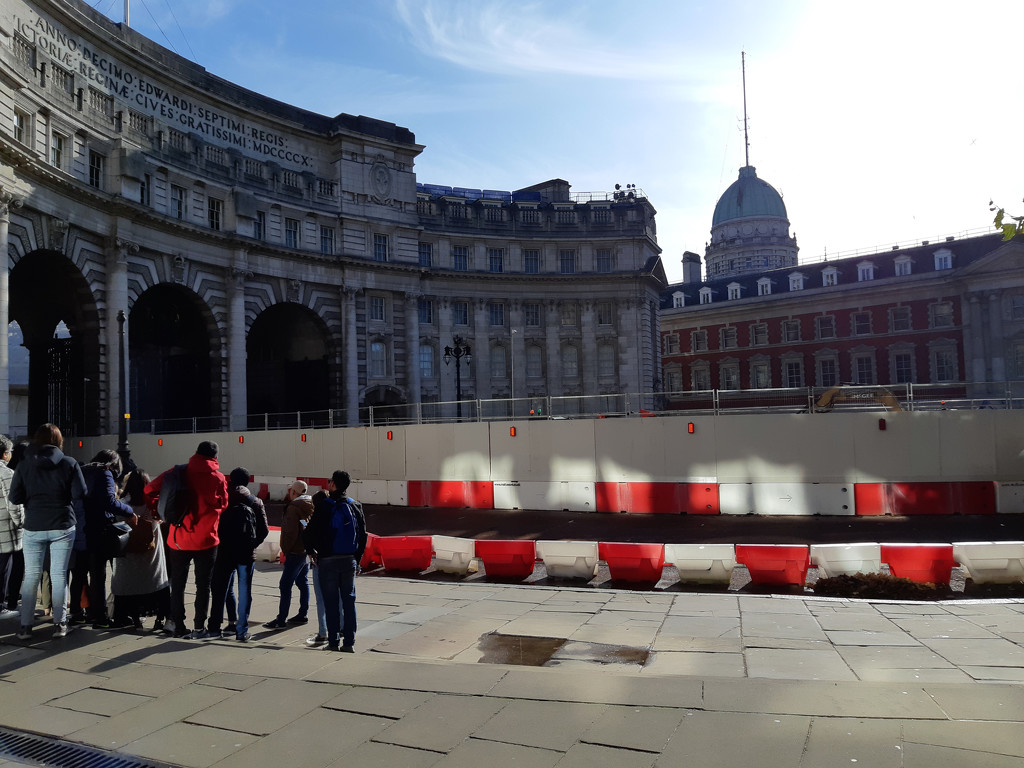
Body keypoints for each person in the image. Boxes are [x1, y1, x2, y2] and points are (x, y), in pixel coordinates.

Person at [144, 440, 228, 639]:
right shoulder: (218, 478)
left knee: (178, 584)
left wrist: (160, 509)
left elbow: (149, 490)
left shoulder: (178, 472)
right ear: (215, 457)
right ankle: (199, 628)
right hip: (207, 540)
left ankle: (178, 626)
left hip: (178, 538)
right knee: (203, 586)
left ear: (196, 452)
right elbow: (223, 504)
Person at [11, 424, 87, 640]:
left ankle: (25, 627)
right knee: (58, 574)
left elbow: (15, 498)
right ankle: (60, 624)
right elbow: (79, 493)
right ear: (58, 441)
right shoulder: (69, 463)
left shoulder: (25, 465)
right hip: (62, 525)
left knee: (32, 576)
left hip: (34, 526)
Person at [303, 471, 366, 652]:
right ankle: (349, 643)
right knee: (349, 600)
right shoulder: (355, 506)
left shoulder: (324, 505)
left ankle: (333, 641)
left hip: (327, 560)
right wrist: (357, 559)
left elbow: (309, 533)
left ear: (333, 485)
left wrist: (311, 551)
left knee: (330, 602)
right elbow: (363, 536)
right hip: (349, 560)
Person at [209, 467, 268, 641]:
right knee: (244, 591)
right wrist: (251, 545)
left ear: (230, 480)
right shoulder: (255, 501)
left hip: (223, 552)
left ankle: (214, 627)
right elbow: (263, 531)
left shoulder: (222, 500)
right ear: (247, 482)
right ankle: (241, 630)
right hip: (245, 554)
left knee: (219, 590)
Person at [79, 450, 136, 627]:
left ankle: (88, 612)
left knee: (86, 574)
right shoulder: (104, 474)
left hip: (82, 527)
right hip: (99, 528)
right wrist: (129, 512)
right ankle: (102, 616)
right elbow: (109, 502)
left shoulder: (83, 471)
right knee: (101, 574)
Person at [110, 470, 169, 630]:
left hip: (129, 551)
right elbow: (159, 519)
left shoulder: (123, 503)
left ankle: (131, 618)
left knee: (129, 583)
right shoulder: (151, 503)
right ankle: (161, 619)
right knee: (155, 582)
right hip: (151, 552)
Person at [264, 480, 313, 631]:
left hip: (295, 551)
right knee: (302, 581)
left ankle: (281, 619)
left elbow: (290, 532)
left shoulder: (293, 508)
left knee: (285, 585)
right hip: (305, 550)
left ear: (294, 492)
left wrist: (286, 548)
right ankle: (302, 614)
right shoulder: (310, 504)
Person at [0, 436, 24, 619]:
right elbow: (14, 505)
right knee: (3, 570)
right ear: (5, 454)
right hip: (5, 533)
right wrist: (22, 522)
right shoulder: (7, 474)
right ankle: (1, 607)